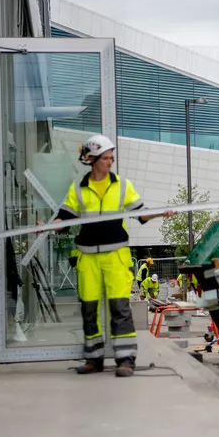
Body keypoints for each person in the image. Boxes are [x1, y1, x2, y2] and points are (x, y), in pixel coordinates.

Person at [47, 134, 175, 377]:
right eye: (105, 158)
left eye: (111, 158)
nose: (109, 162)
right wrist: (50, 225)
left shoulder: (123, 186)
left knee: (120, 309)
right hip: (88, 259)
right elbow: (64, 217)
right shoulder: (79, 187)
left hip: (116, 257)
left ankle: (125, 360)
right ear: (92, 159)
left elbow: (142, 214)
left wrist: (160, 214)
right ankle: (93, 360)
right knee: (89, 310)